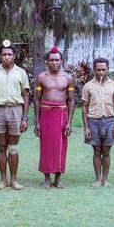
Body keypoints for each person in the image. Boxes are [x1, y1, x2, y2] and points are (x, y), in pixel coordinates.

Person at [0, 39, 29, 190]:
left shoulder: (21, 73)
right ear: (0, 56)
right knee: (1, 147)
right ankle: (3, 180)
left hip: (15, 110)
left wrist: (24, 117)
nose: (7, 57)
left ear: (14, 56)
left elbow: (25, 95)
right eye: (4, 54)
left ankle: (14, 180)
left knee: (13, 148)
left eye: (9, 54)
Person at [34, 46, 75, 189]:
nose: (54, 63)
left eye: (57, 60)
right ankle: (46, 178)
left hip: (61, 115)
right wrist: (37, 121)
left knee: (61, 146)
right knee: (46, 146)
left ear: (61, 60)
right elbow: (37, 99)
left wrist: (69, 122)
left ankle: (58, 178)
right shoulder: (41, 77)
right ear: (47, 61)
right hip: (46, 114)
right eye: (51, 60)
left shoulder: (68, 78)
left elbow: (71, 100)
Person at [82, 58, 114, 187]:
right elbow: (85, 107)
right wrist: (86, 127)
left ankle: (105, 179)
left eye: (104, 69)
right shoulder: (88, 86)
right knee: (97, 150)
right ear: (94, 70)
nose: (101, 72)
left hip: (110, 120)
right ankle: (98, 179)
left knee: (106, 151)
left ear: (108, 69)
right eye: (98, 70)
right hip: (93, 120)